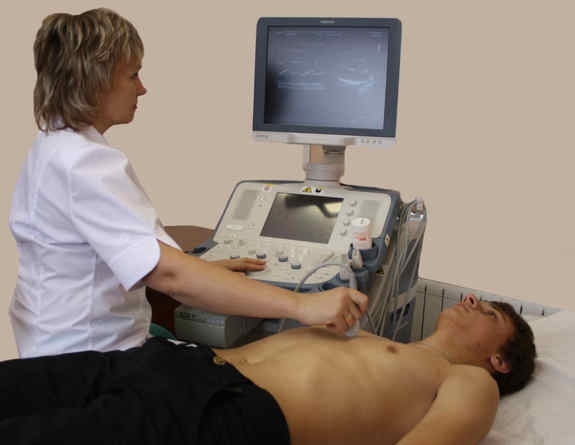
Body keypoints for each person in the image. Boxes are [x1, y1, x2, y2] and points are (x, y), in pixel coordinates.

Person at [8, 8, 368, 358]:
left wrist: (204, 273)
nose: (142, 88)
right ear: (96, 82)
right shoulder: (84, 163)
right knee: (256, 366)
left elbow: (118, 259)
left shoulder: (53, 145)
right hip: (88, 363)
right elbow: (171, 277)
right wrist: (302, 305)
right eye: (133, 75)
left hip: (53, 348)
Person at [0, 294, 536, 444]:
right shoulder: (382, 341)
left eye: (489, 313)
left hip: (228, 412)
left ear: (500, 359)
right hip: (175, 363)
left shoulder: (470, 382)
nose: (471, 301)